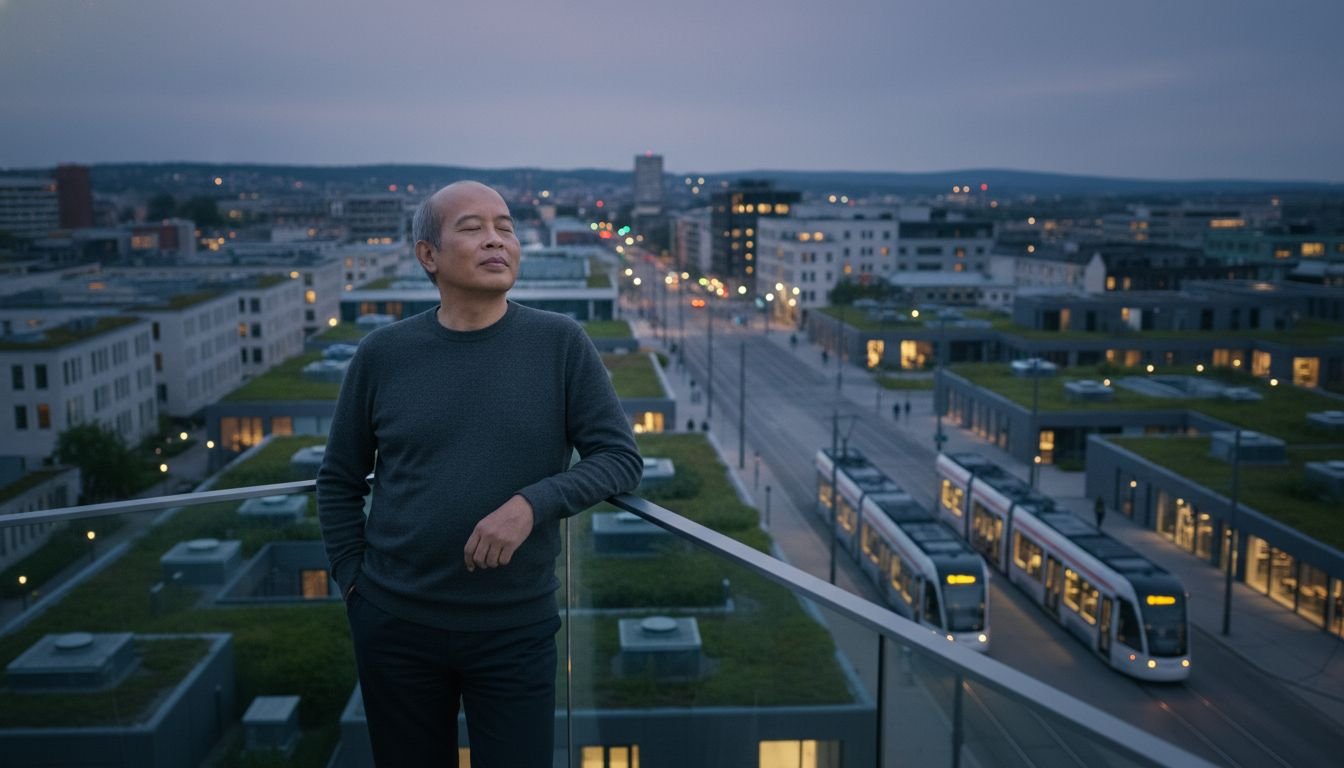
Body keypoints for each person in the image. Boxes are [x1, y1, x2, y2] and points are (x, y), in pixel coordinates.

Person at [317, 181, 642, 767]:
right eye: (472, 228)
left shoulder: (560, 344)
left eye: (506, 226)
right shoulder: (382, 354)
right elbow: (339, 480)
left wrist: (532, 504)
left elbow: (619, 459)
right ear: (428, 256)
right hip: (394, 622)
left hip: (514, 630)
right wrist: (353, 584)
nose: (496, 240)